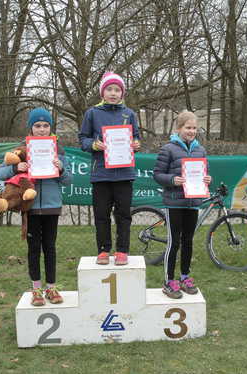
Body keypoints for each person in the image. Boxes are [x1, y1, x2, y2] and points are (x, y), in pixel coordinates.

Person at [0, 107, 72, 306]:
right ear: (31, 128)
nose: (42, 129)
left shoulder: (59, 150)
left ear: (50, 127)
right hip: (29, 207)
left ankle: (51, 288)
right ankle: (36, 290)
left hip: (51, 206)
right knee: (34, 248)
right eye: (37, 125)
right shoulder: (21, 149)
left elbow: (68, 180)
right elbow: (0, 172)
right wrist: (15, 167)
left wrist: (61, 169)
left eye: (46, 125)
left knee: (50, 247)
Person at [78, 72, 141, 266]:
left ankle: (122, 250)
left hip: (124, 174)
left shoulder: (129, 114)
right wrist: (93, 145)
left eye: (117, 90)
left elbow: (136, 137)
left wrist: (136, 144)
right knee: (101, 215)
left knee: (124, 215)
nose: (113, 93)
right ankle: (103, 250)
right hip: (101, 174)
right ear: (102, 92)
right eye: (109, 89)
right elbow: (83, 139)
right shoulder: (92, 113)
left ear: (122, 93)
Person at [153, 111, 211, 299]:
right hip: (174, 203)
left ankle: (185, 277)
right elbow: (157, 175)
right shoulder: (168, 149)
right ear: (179, 128)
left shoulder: (200, 150)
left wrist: (207, 179)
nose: (191, 131)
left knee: (188, 241)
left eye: (194, 128)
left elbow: (204, 174)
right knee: (174, 242)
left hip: (193, 203)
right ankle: (168, 281)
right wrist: (172, 180)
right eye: (188, 127)